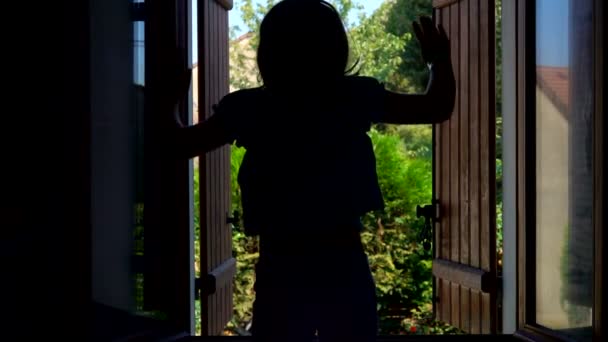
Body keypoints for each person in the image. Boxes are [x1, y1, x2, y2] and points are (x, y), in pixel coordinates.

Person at [170, 1, 454, 341]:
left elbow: (179, 145)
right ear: (336, 49)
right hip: (344, 261)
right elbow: (437, 106)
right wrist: (438, 60)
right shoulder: (353, 97)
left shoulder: (249, 108)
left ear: (269, 53)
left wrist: (169, 98)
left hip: (281, 264)